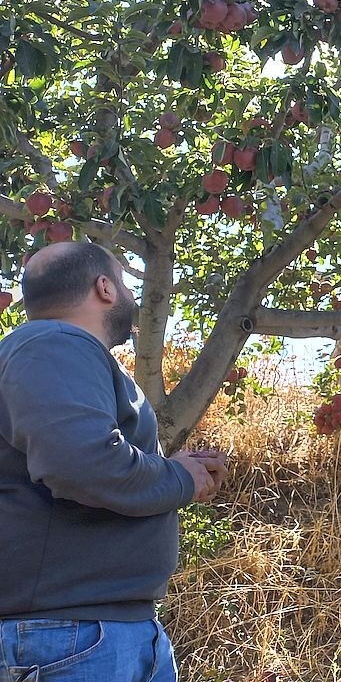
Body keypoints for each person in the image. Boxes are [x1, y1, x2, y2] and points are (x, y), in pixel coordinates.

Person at [0, 241, 229, 682]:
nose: (129, 296)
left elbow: (83, 455)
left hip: (94, 632)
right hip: (71, 636)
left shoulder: (53, 352)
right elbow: (82, 463)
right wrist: (179, 478)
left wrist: (173, 469)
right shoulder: (53, 344)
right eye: (125, 284)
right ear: (104, 288)